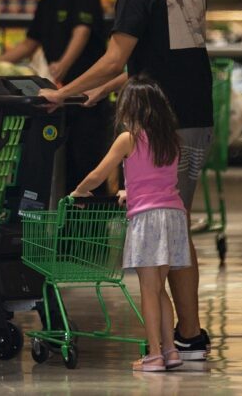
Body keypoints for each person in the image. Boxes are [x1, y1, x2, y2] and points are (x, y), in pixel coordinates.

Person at [39, 0, 212, 361]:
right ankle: (189, 334)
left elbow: (117, 57)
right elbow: (158, 61)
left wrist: (64, 92)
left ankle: (188, 338)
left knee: (165, 226)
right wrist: (104, 91)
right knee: (179, 222)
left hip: (161, 124)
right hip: (195, 120)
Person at [72, 76, 189, 371]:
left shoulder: (129, 138)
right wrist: (130, 190)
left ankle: (153, 355)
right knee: (159, 289)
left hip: (148, 220)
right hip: (173, 216)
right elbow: (155, 178)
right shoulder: (172, 139)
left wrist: (79, 190)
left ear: (130, 108)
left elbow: (99, 175)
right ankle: (171, 351)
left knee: (148, 291)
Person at [0, 0, 110, 195]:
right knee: (62, 168)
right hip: (57, 97)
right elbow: (29, 43)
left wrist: (63, 64)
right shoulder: (47, 2)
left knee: (87, 164)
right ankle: (65, 231)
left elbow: (81, 32)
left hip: (87, 97)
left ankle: (88, 231)